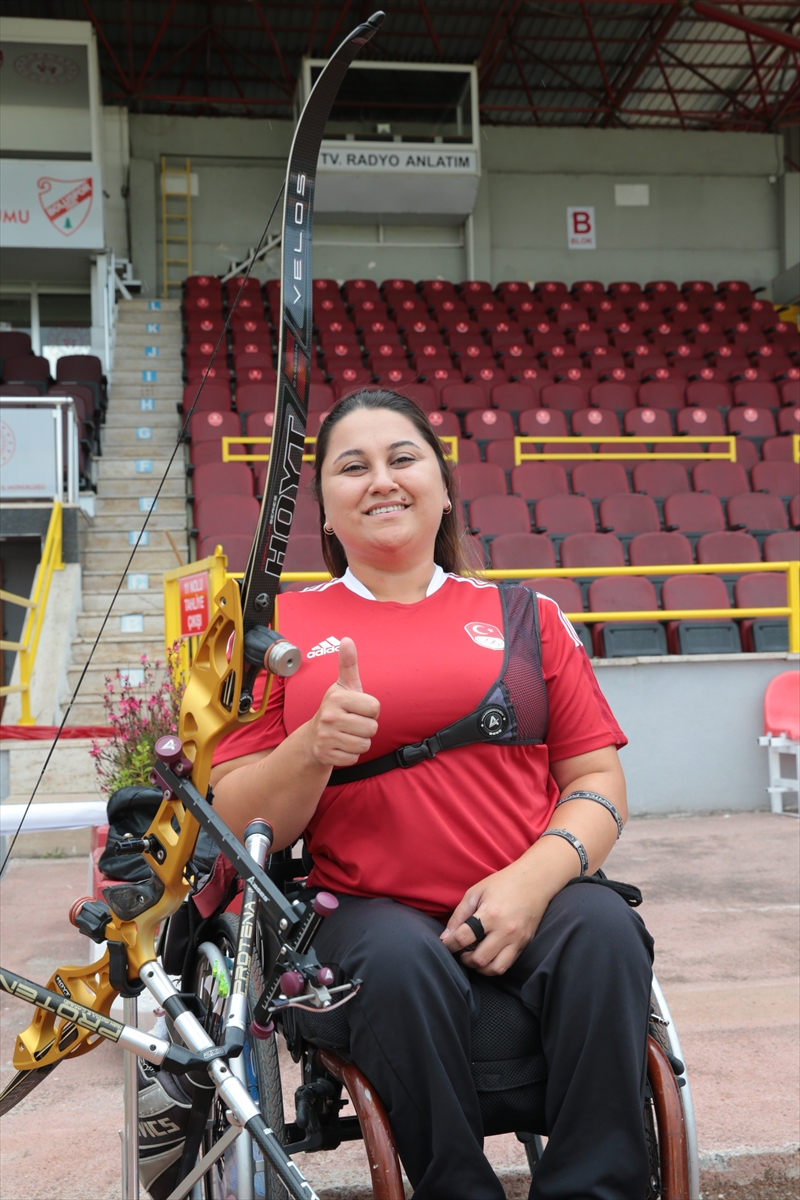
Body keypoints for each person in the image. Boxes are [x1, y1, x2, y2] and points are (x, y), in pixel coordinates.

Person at [210, 389, 654, 1200]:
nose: (381, 480)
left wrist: (532, 880)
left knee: (605, 930)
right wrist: (311, 750)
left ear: (445, 487)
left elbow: (595, 781)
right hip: (369, 913)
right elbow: (239, 818)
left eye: (402, 458)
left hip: (533, 894)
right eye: (353, 467)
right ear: (327, 513)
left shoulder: (526, 617)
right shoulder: (278, 631)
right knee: (400, 961)